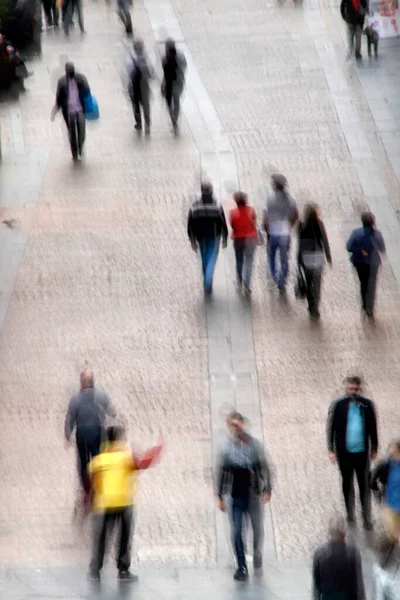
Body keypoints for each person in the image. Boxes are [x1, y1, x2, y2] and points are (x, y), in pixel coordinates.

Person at [88, 426, 163, 582]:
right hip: (124, 502)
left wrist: (88, 503)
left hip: (104, 504)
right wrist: (158, 448)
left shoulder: (98, 460)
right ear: (120, 439)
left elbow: (90, 484)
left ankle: (95, 570)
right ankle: (123, 570)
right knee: (124, 537)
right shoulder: (126, 457)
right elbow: (144, 463)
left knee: (102, 538)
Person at [217, 412, 273, 581]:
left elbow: (264, 466)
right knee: (237, 531)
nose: (236, 428)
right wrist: (220, 495)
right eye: (232, 425)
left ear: (243, 425)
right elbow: (222, 471)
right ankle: (241, 565)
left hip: (253, 492)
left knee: (257, 529)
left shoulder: (253, 445)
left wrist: (267, 488)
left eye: (238, 424)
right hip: (236, 495)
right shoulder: (227, 448)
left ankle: (256, 552)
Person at [327, 375, 378, 530]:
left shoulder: (367, 405)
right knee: (347, 483)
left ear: (359, 388)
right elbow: (331, 427)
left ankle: (366, 516)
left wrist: (375, 446)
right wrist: (331, 449)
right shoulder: (338, 405)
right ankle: (350, 513)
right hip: (344, 453)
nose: (353, 391)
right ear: (346, 388)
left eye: (355, 389)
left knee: (364, 485)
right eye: (350, 389)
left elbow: (372, 427)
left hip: (362, 453)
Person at [64, 369, 116, 505]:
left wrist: (68, 435)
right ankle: (98, 487)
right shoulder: (100, 395)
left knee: (83, 463)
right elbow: (112, 411)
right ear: (93, 381)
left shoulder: (75, 399)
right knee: (98, 460)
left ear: (81, 383)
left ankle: (86, 489)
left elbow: (70, 418)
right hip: (97, 433)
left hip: (81, 435)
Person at [187, 182, 228, 295]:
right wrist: (225, 237)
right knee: (211, 259)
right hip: (214, 236)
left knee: (204, 258)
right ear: (211, 191)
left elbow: (190, 225)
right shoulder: (217, 206)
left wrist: (192, 241)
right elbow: (223, 222)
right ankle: (207, 282)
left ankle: (207, 280)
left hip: (200, 236)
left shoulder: (194, 206)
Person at [312, 514, 365, 600]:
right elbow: (359, 585)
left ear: (329, 532)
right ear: (344, 532)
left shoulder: (320, 554)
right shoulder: (353, 553)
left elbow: (316, 585)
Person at [263, 174, 298, 294]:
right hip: (285, 232)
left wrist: (267, 229)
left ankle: (274, 275)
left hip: (273, 232)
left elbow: (265, 217)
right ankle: (282, 281)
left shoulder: (269, 198)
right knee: (284, 258)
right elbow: (296, 215)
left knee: (271, 255)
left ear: (276, 186)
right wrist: (290, 225)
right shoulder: (291, 198)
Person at [346, 212, 385, 319]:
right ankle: (370, 308)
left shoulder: (356, 233)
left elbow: (349, 247)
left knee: (363, 284)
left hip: (360, 262)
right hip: (373, 263)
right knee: (372, 285)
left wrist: (359, 251)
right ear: (373, 222)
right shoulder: (377, 234)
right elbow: (382, 249)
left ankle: (364, 304)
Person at [297, 204, 332, 319]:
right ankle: (315, 306)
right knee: (317, 284)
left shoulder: (301, 225)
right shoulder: (319, 224)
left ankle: (310, 303)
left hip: (306, 257)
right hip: (317, 256)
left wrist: (298, 259)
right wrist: (328, 256)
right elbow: (325, 240)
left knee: (308, 281)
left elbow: (300, 243)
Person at [52, 62, 90, 160]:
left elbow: (87, 91)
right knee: (72, 133)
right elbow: (59, 98)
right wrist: (55, 110)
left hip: (80, 109)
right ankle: (74, 152)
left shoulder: (81, 78)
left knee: (82, 132)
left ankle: (80, 147)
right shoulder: (61, 82)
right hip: (69, 111)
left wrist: (82, 84)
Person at [370, 440, 400, 545]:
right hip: (390, 504)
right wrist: (378, 495)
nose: (392, 455)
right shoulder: (386, 465)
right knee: (392, 532)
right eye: (390, 452)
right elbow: (372, 479)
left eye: (395, 453)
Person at [230, 191, 258, 295]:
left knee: (239, 260)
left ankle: (239, 280)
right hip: (250, 238)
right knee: (249, 261)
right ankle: (247, 285)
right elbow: (254, 223)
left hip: (238, 239)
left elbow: (232, 225)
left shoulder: (233, 212)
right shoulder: (251, 210)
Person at [128, 39, 155, 134]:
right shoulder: (146, 59)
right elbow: (152, 73)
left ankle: (138, 123)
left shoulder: (130, 59)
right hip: (144, 86)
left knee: (136, 105)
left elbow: (128, 74)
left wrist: (128, 86)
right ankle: (147, 124)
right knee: (146, 106)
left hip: (134, 87)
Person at [161, 38, 187, 132]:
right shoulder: (180, 57)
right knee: (175, 101)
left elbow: (165, 71)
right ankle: (174, 117)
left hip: (171, 83)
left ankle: (173, 116)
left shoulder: (166, 58)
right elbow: (184, 68)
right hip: (176, 82)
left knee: (171, 101)